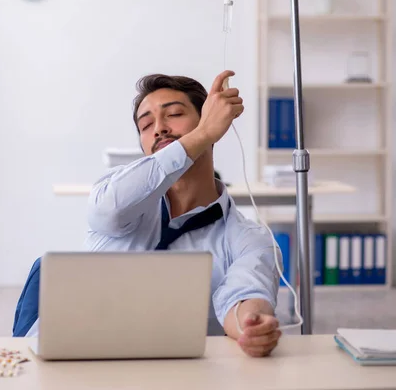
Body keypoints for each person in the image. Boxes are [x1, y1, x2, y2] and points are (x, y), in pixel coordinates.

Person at [85, 70, 282, 357]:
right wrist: (201, 134)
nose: (159, 129)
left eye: (174, 114)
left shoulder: (249, 238)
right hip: (87, 357)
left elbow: (245, 297)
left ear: (210, 118)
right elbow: (109, 213)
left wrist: (251, 325)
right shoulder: (114, 192)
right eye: (146, 124)